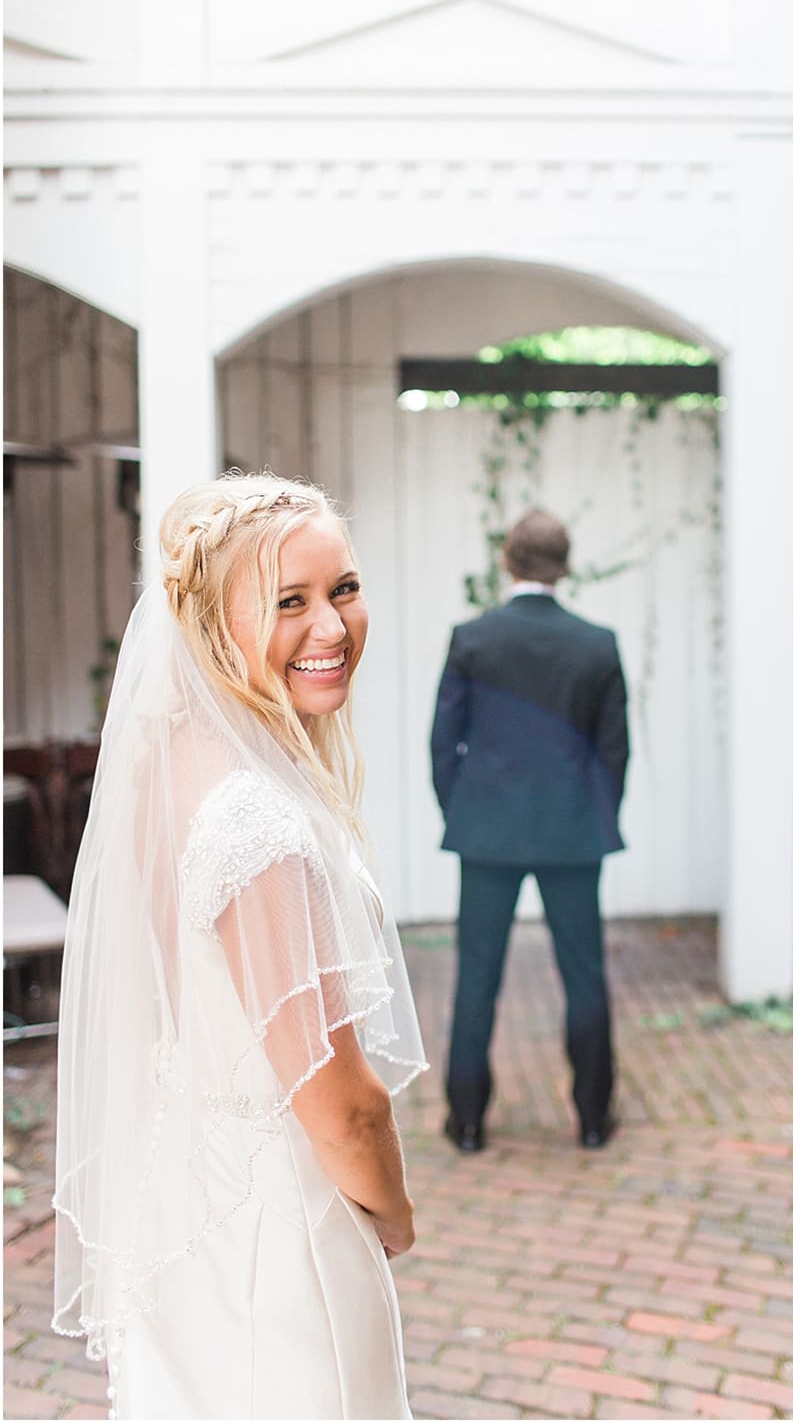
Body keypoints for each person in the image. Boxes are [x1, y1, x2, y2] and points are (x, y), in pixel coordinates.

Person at [53, 474, 426, 1418]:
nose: (333, 627)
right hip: (277, 1232)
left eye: (342, 588)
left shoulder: (171, 761)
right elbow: (338, 1103)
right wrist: (391, 1212)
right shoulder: (258, 819)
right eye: (289, 602)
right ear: (217, 628)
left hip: (185, 1202)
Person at [431, 509, 627, 1151]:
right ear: (563, 567)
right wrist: (595, 815)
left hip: (488, 831)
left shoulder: (472, 639)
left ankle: (466, 1122)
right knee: (584, 974)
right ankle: (593, 1119)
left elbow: (443, 744)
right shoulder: (597, 644)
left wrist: (461, 812)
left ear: (508, 561)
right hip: (572, 831)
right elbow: (614, 750)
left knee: (477, 975)